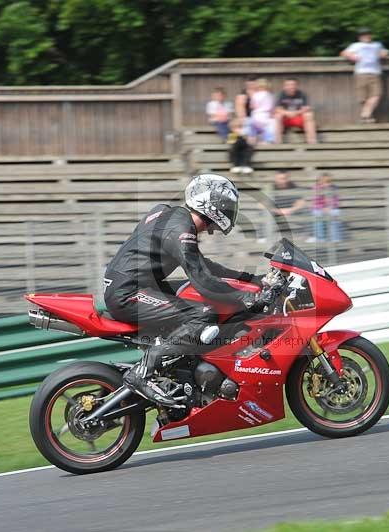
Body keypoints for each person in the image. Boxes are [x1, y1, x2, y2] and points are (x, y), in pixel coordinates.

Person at [103, 174, 265, 406]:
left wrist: (250, 280)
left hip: (131, 286)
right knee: (203, 314)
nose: (229, 212)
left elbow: (203, 266)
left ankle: (180, 370)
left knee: (193, 297)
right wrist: (246, 298)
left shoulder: (172, 216)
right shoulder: (180, 228)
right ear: (212, 205)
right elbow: (204, 281)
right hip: (128, 293)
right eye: (226, 207)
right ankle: (144, 371)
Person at [340, 28, 389, 123]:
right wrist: (351, 56)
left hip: (375, 72)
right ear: (360, 37)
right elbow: (343, 53)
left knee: (377, 94)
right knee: (362, 97)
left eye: (368, 34)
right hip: (361, 72)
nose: (366, 36)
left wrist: (384, 54)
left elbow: (386, 52)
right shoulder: (356, 45)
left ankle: (364, 114)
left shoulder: (377, 45)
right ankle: (368, 117)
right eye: (364, 35)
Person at [258, 170, 307, 243]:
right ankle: (262, 237)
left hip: (290, 212)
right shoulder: (269, 188)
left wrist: (291, 209)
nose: (283, 181)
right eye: (280, 179)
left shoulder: (294, 187)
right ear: (276, 179)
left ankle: (305, 236)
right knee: (263, 213)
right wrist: (277, 211)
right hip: (274, 212)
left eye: (285, 178)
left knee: (306, 211)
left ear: (288, 178)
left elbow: (302, 202)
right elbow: (260, 205)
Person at [274, 78, 317, 144]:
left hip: (298, 118)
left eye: (293, 84)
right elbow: (277, 109)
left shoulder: (301, 94)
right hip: (286, 119)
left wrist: (295, 113)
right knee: (277, 116)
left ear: (296, 86)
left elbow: (307, 108)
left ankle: (312, 142)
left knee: (309, 115)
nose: (291, 86)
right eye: (288, 85)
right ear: (285, 86)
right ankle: (278, 143)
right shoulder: (281, 94)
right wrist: (287, 113)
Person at [308, 172, 342, 243]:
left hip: (331, 208)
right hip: (318, 209)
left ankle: (335, 238)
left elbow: (336, 201)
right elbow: (315, 202)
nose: (326, 184)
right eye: (323, 182)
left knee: (335, 215)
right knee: (318, 215)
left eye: (329, 182)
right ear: (319, 181)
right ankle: (320, 238)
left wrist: (330, 207)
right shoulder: (316, 189)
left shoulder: (333, 188)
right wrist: (323, 208)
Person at [248, 78, 276, 144]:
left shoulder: (255, 94)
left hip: (256, 115)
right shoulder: (270, 95)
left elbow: (252, 106)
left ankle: (252, 141)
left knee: (253, 128)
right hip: (266, 116)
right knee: (269, 126)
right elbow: (272, 108)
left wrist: (251, 96)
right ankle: (267, 140)